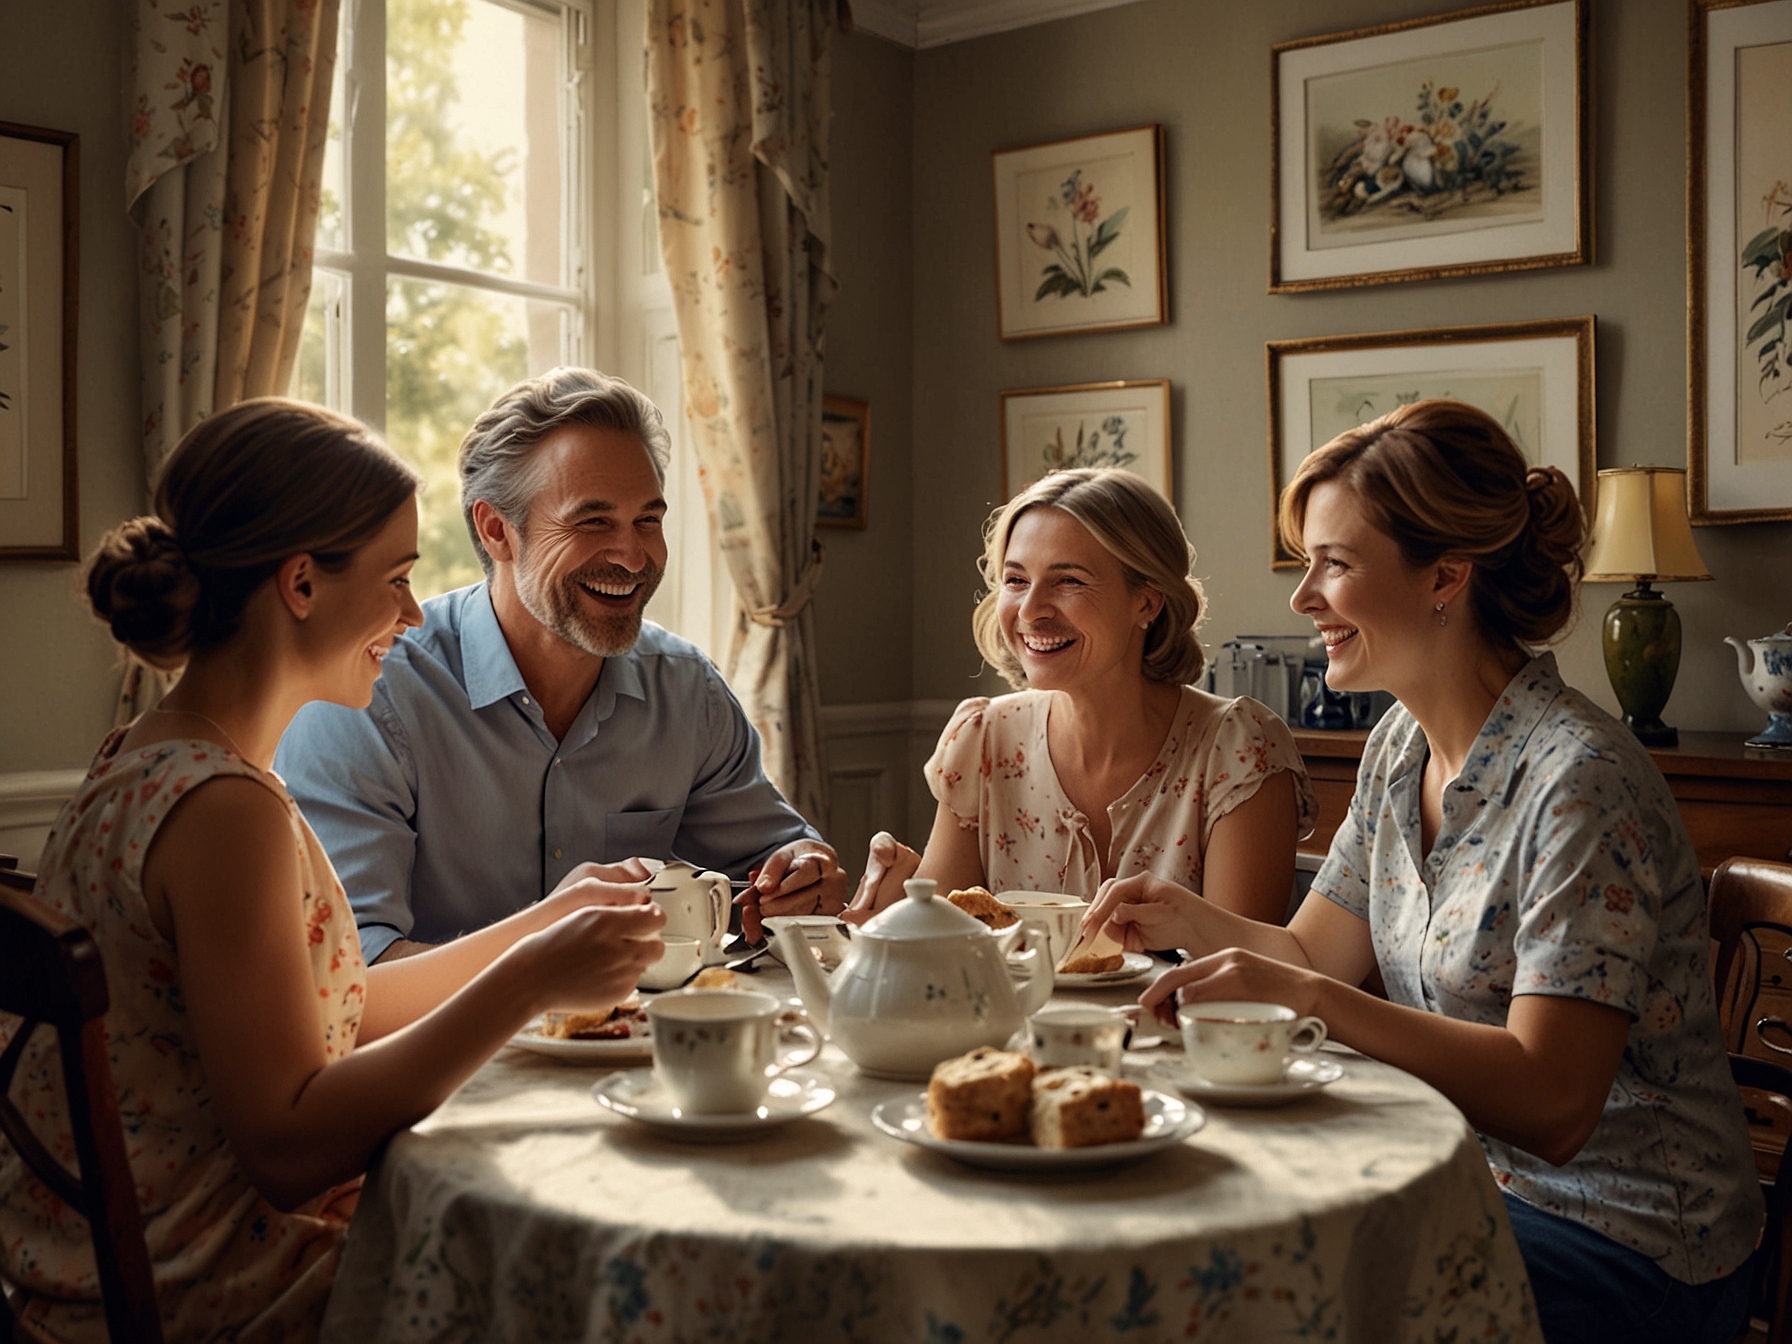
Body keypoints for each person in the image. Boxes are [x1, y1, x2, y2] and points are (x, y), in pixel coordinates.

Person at [1084, 401, 1762, 1344]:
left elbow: (1553, 1103)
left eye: (1335, 564)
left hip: (1629, 1239)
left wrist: (1300, 995)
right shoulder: (1400, 745)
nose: (1301, 596)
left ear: (1446, 575)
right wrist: (1186, 919)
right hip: (1461, 1177)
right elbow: (1308, 951)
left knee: (1267, 1296)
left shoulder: (1580, 782)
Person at [0, 400, 665, 1344]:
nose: (409, 612)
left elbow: (334, 1011)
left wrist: (537, 928)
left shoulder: (152, 756)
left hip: (105, 1273)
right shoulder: (225, 812)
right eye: (395, 576)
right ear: (302, 583)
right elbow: (290, 1147)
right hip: (222, 1291)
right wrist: (529, 981)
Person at [274, 368, 845, 964]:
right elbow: (349, 969)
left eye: (647, 520)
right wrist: (547, 947)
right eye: (592, 521)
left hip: (642, 1046)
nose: (631, 557)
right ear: (497, 531)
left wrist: (804, 875)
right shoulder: (369, 695)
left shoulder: (685, 689)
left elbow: (776, 860)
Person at [847, 467, 1316, 924]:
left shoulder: (1239, 750)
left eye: (1068, 581)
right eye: (1015, 580)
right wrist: (891, 916)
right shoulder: (983, 740)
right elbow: (945, 949)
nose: (1030, 611)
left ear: (1147, 602)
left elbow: (1242, 977)